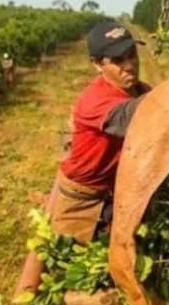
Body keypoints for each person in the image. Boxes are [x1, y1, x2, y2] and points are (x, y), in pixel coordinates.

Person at [50, 21, 152, 244]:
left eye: (131, 55)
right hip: (83, 202)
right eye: (117, 60)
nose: (129, 65)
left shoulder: (140, 90)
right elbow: (136, 117)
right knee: (74, 267)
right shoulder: (96, 100)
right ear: (97, 64)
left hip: (116, 194)